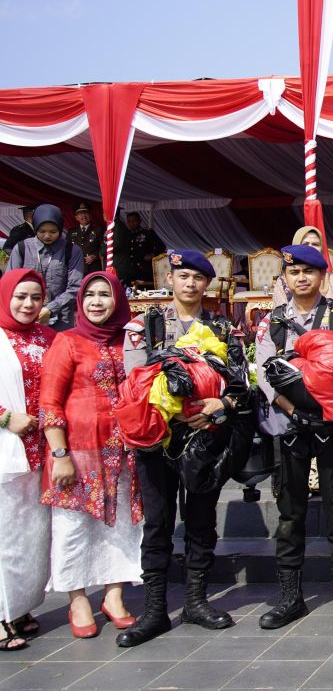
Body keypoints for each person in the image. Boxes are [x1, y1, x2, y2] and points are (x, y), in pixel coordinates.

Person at [116, 250, 251, 647]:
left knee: (201, 518)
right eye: (183, 276)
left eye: (198, 278)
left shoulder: (224, 329)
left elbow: (242, 387)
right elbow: (135, 380)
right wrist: (172, 411)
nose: (190, 284)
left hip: (205, 438)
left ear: (207, 284)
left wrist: (219, 406)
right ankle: (155, 610)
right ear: (170, 279)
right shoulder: (146, 325)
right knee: (157, 523)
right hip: (158, 439)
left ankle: (196, 600)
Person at [257, 245, 333, 630]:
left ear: (323, 276)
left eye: (309, 271)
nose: (301, 278)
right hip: (290, 427)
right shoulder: (272, 321)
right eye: (294, 272)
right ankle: (290, 598)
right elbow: (263, 376)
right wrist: (292, 410)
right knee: (290, 513)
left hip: (332, 427)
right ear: (284, 278)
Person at [40, 272, 141, 639]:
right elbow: (49, 403)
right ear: (80, 302)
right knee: (73, 529)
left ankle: (114, 596)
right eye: (90, 296)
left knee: (122, 527)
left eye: (105, 295)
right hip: (78, 453)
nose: (97, 302)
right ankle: (78, 599)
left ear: (118, 300)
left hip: (124, 450)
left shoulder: (128, 340)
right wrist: (60, 453)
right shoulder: (67, 342)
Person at [0, 270, 56, 651]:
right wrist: (5, 417)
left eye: (36, 297)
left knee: (33, 536)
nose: (28, 304)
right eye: (20, 296)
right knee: (4, 535)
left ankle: (19, 607)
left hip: (42, 454)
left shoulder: (50, 338)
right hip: (6, 448)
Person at [5, 203, 83, 331]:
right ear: (35, 228)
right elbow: (9, 283)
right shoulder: (22, 248)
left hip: (61, 317)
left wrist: (50, 309)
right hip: (26, 312)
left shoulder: (72, 251)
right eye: (42, 231)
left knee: (58, 349)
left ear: (60, 228)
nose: (47, 236)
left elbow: (75, 287)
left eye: (53, 231)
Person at [271, 226, 333, 307]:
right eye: (305, 244)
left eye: (316, 244)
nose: (310, 247)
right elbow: (280, 314)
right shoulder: (283, 282)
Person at [120, 212, 165, 288]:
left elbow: (161, 247)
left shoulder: (147, 233)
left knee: (144, 292)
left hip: (144, 269)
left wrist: (152, 255)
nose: (131, 224)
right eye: (129, 222)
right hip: (130, 270)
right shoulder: (127, 235)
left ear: (140, 221)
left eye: (134, 221)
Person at [69, 203, 104, 272]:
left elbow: (103, 247)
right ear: (76, 217)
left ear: (90, 215)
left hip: (93, 267)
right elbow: (67, 248)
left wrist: (94, 256)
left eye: (86, 213)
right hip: (76, 267)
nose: (84, 216)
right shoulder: (71, 231)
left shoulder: (98, 230)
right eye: (81, 214)